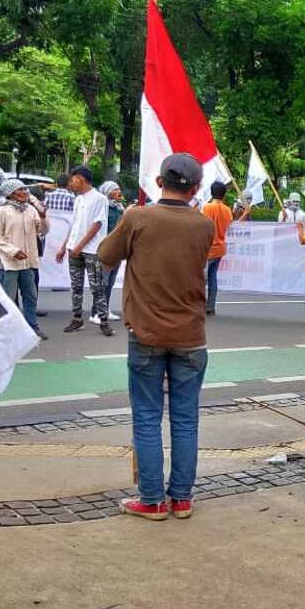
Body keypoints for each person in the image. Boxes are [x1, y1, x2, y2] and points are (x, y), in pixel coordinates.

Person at [99, 154, 215, 521]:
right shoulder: (203, 224)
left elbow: (105, 255)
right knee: (185, 419)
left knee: (147, 417)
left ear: (158, 179)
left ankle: (151, 500)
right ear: (195, 188)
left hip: (146, 332)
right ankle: (181, 498)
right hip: (191, 336)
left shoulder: (137, 217)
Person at [0, 178, 50, 340]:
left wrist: (43, 217)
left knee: (31, 295)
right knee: (8, 298)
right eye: (20, 190)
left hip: (28, 262)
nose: (24, 193)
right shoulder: (0, 210)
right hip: (8, 262)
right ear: (10, 193)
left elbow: (43, 231)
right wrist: (13, 251)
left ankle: (32, 327)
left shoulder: (30, 210)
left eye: (25, 190)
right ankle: (8, 330)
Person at [56, 166, 112, 336]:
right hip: (74, 248)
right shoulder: (78, 199)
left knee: (97, 286)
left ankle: (103, 320)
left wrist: (80, 247)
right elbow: (74, 225)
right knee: (76, 286)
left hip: (92, 250)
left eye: (72, 180)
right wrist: (64, 246)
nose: (71, 183)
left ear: (80, 179)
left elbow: (97, 225)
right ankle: (77, 318)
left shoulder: (99, 199)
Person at [201, 180, 233, 315]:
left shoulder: (207, 207)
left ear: (211, 192)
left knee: (202, 279)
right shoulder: (227, 210)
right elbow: (231, 223)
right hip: (220, 247)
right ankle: (211, 306)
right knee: (212, 277)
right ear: (224, 194)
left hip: (207, 248)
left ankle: (200, 305)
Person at [97, 181, 126, 322]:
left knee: (111, 281)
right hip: (106, 248)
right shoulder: (103, 207)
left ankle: (105, 308)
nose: (119, 191)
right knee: (103, 281)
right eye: (116, 189)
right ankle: (97, 312)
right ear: (108, 192)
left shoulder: (120, 208)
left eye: (119, 189)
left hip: (118, 248)